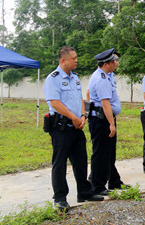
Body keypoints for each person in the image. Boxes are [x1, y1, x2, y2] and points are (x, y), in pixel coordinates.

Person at [44, 47, 103, 210]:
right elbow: (55, 102)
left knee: (81, 161)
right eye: (74, 58)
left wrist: (83, 116)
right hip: (61, 127)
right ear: (63, 61)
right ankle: (60, 198)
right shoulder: (53, 79)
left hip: (77, 125)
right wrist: (74, 117)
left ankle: (84, 192)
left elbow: (79, 99)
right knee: (60, 163)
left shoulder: (75, 78)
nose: (77, 60)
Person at [88, 48, 125, 195]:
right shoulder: (101, 79)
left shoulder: (108, 76)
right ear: (106, 64)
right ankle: (97, 185)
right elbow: (105, 103)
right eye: (114, 61)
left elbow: (89, 93)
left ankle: (113, 181)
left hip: (105, 118)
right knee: (101, 154)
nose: (116, 63)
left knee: (109, 153)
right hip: (101, 119)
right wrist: (111, 123)